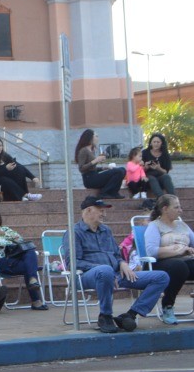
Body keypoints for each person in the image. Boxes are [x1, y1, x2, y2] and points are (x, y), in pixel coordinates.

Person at [62, 196, 170, 333]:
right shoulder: (74, 232)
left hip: (115, 274)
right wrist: (102, 269)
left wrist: (122, 263)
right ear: (88, 210)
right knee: (105, 271)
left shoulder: (106, 230)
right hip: (84, 276)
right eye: (100, 210)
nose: (104, 214)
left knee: (161, 277)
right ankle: (105, 316)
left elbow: (116, 255)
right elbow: (73, 263)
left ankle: (130, 315)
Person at [0, 207, 48, 309]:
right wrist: (11, 239)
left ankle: (32, 280)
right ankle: (36, 299)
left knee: (30, 251)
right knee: (30, 267)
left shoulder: (5, 229)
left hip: (13, 259)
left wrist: (2, 233)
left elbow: (21, 240)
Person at [144, 195, 194, 325]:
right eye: (176, 207)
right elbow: (152, 251)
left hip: (185, 260)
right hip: (159, 263)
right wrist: (177, 250)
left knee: (183, 266)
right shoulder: (154, 226)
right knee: (179, 267)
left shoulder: (182, 225)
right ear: (165, 209)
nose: (180, 210)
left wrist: (188, 249)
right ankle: (168, 305)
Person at [0, 134, 41, 202]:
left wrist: (32, 177)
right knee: (5, 180)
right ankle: (26, 196)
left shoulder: (3, 155)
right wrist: (5, 169)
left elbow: (17, 165)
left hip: (4, 179)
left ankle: (25, 195)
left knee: (19, 169)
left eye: (1, 146)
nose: (0, 148)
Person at [73, 128, 125, 199]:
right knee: (118, 172)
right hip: (89, 179)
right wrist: (96, 160)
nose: (98, 138)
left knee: (122, 170)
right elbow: (81, 168)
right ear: (90, 138)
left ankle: (114, 192)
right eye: (96, 136)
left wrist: (104, 168)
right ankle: (105, 192)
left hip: (94, 175)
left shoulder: (91, 150)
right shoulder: (83, 150)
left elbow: (92, 168)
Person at [141, 133, 176, 197]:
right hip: (147, 178)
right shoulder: (144, 153)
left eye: (158, 142)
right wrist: (146, 167)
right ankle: (161, 198)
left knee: (166, 177)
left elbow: (166, 172)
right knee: (152, 178)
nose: (156, 144)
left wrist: (158, 168)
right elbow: (139, 170)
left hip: (160, 177)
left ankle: (173, 198)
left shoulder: (165, 154)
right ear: (151, 143)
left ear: (161, 143)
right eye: (154, 142)